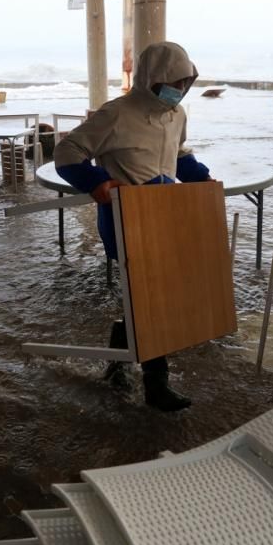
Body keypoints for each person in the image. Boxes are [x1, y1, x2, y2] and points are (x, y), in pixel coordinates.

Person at [53, 41, 212, 412]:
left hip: (165, 214)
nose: (179, 89)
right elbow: (67, 152)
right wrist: (96, 182)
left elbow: (178, 156)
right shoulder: (117, 114)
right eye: (172, 83)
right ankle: (157, 386)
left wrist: (202, 180)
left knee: (147, 297)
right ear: (150, 79)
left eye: (185, 82)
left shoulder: (178, 115)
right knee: (151, 300)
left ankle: (115, 365)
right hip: (125, 218)